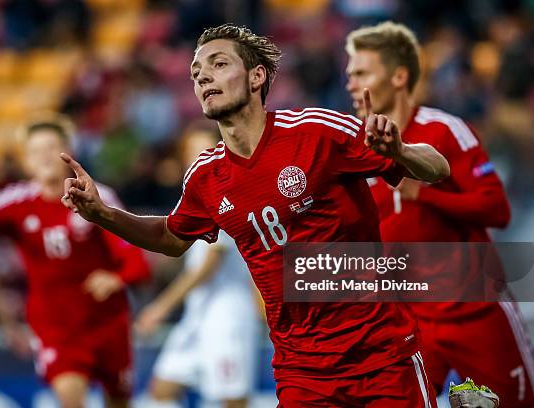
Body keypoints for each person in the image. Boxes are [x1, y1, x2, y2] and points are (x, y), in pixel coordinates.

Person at [60, 23, 450, 407]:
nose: (203, 78)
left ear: (256, 76)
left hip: (381, 356)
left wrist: (400, 151)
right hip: (303, 372)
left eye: (218, 65)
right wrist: (103, 214)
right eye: (196, 73)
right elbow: (171, 238)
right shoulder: (206, 177)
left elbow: (437, 168)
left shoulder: (317, 132)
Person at [345, 21, 534, 407]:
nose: (350, 83)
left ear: (399, 76)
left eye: (361, 73)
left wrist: (424, 194)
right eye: (348, 74)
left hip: (475, 313)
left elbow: (497, 210)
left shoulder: (444, 130)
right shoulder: (353, 150)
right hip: (412, 323)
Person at [0, 113, 150, 408]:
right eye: (35, 151)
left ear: (68, 153)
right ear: (26, 161)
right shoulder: (13, 201)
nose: (44, 157)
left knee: (118, 402)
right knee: (71, 400)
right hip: (56, 328)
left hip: (108, 322)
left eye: (51, 148)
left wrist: (117, 278)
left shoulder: (98, 197)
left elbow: (136, 260)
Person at [136, 125, 260, 408]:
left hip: (227, 315)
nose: (198, 158)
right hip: (198, 314)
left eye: (206, 150)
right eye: (192, 153)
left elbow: (208, 266)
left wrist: (160, 307)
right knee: (162, 389)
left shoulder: (231, 192)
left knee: (233, 400)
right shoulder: (194, 200)